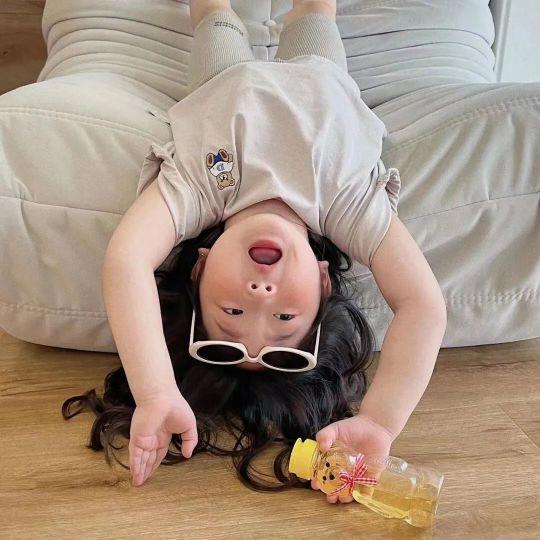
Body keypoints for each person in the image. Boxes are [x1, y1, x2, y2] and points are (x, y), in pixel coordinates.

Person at [63, 0, 446, 504]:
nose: (261, 294)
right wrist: (379, 421)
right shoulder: (348, 205)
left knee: (212, 12)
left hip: (222, 79)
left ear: (199, 269)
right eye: (285, 317)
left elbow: (127, 261)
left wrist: (155, 391)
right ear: (323, 282)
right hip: (321, 74)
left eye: (232, 312)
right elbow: (423, 305)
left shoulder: (197, 191)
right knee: (315, 10)